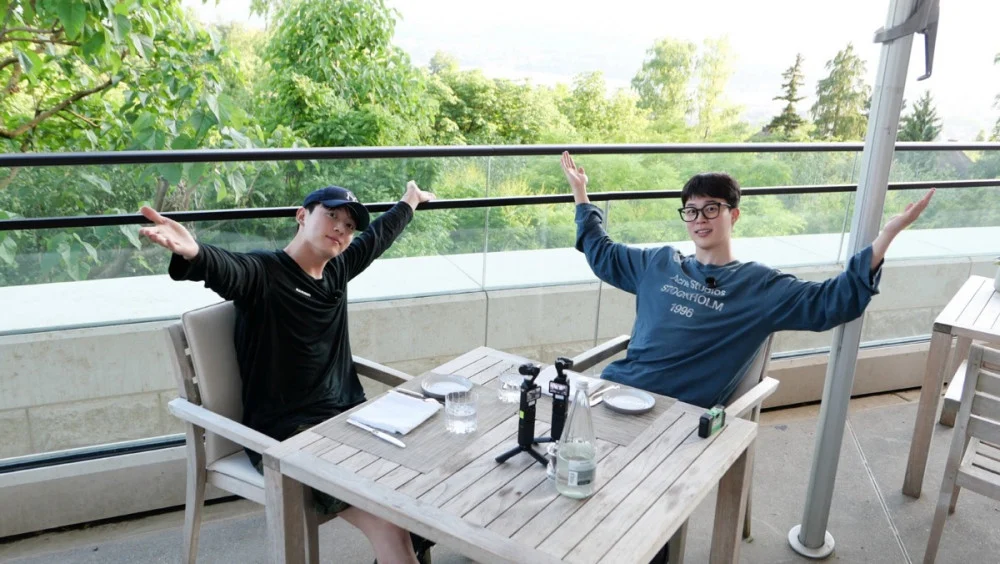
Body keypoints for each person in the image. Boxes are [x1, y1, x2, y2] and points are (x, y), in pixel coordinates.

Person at [140, 181, 436, 564]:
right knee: (392, 526)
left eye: (349, 225)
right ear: (301, 215)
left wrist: (410, 199)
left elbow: (379, 236)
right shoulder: (264, 274)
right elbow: (229, 269)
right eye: (332, 215)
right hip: (286, 439)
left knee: (424, 488)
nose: (341, 229)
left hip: (350, 422)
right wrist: (195, 252)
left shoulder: (338, 269)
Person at [560, 151, 934, 409]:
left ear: (734, 215)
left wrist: (886, 235)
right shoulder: (657, 263)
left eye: (711, 209)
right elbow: (601, 251)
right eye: (691, 211)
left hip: (676, 416)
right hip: (613, 391)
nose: (700, 219)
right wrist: (581, 193)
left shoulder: (758, 286)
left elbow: (830, 303)